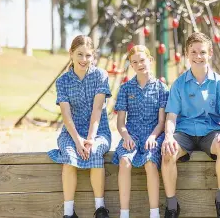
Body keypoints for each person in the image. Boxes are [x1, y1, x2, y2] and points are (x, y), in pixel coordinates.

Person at [161, 32, 220, 218]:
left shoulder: (219, 84)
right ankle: (171, 205)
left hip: (210, 133)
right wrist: (168, 136)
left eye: (202, 52)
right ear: (187, 54)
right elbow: (171, 117)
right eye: (193, 52)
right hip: (184, 133)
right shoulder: (179, 84)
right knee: (167, 152)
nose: (198, 56)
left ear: (210, 54)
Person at [48, 35, 111, 218]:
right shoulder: (63, 81)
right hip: (71, 131)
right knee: (68, 155)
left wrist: (90, 139)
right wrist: (77, 141)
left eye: (88, 55)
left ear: (93, 56)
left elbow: (97, 109)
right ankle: (69, 213)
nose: (84, 59)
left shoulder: (101, 76)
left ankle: (100, 208)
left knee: (96, 151)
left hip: (98, 130)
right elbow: (66, 116)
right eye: (80, 54)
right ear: (71, 54)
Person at [112, 45, 169, 218]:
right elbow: (120, 122)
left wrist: (153, 136)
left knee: (150, 162)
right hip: (132, 134)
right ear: (131, 65)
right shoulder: (125, 88)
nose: (139, 64)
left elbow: (161, 121)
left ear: (150, 61)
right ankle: (124, 213)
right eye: (135, 62)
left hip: (154, 134)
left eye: (142, 60)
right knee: (124, 161)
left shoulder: (161, 88)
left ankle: (154, 213)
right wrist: (126, 136)